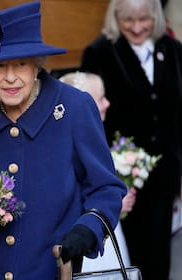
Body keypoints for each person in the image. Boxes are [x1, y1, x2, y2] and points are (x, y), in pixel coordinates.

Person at [0, 2, 127, 279]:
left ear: (37, 65)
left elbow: (106, 188)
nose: (10, 77)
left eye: (21, 64)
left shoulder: (74, 108)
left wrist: (88, 228)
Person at [80, 0, 182, 279]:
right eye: (127, 20)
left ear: (155, 16)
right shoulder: (99, 52)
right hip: (122, 177)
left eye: (144, 19)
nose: (136, 27)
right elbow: (90, 118)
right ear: (115, 18)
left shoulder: (173, 49)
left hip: (166, 169)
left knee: (159, 252)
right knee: (129, 255)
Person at [59, 71, 136, 271]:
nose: (107, 103)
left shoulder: (97, 133)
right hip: (81, 236)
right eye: (100, 99)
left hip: (101, 225)